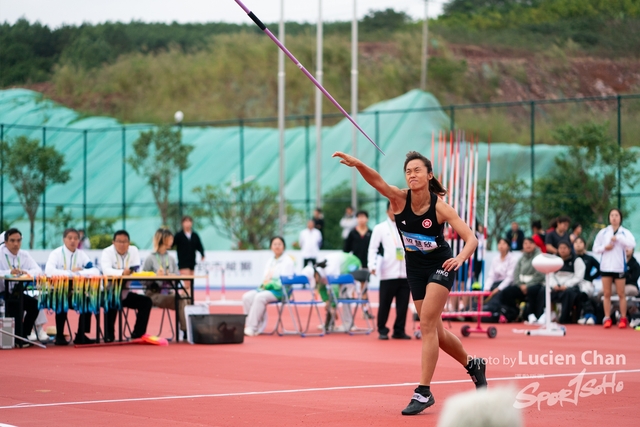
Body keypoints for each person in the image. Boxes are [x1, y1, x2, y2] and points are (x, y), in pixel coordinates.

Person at [333, 149, 485, 416]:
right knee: (436, 334)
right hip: (414, 268)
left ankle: (423, 391)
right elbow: (377, 181)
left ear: (429, 175)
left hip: (441, 265)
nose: (411, 175)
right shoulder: (398, 198)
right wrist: (358, 164)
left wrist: (461, 257)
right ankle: (473, 365)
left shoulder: (440, 207)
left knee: (426, 323)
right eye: (408, 171)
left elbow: (471, 238)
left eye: (417, 170)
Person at [45, 228, 101, 345]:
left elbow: (95, 271)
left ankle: (81, 335)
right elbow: (49, 271)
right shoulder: (56, 253)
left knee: (88, 301)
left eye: (76, 238)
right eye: (69, 238)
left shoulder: (81, 254)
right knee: (61, 300)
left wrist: (80, 273)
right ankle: (59, 336)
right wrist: (70, 272)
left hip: (75, 293)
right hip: (55, 293)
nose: (73, 241)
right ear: (64, 239)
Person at [368, 202, 411, 340]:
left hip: (405, 272)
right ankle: (382, 329)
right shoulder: (380, 228)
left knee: (403, 304)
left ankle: (399, 330)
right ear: (387, 211)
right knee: (385, 303)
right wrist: (372, 265)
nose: (395, 212)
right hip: (387, 272)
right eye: (392, 210)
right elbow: (373, 248)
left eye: (397, 209)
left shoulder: (407, 226)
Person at [101, 230, 152, 342]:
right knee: (113, 300)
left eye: (125, 242)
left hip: (124, 293)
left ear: (129, 243)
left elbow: (136, 267)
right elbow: (106, 270)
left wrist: (130, 272)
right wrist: (122, 272)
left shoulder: (133, 250)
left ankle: (137, 334)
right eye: (119, 241)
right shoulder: (107, 252)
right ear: (113, 242)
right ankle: (109, 335)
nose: (122, 244)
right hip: (107, 292)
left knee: (146, 302)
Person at [593, 209, 636, 329]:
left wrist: (618, 239)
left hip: (619, 267)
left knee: (621, 293)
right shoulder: (603, 232)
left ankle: (623, 318)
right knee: (606, 293)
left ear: (620, 218)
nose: (614, 218)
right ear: (609, 218)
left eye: (616, 215)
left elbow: (632, 244)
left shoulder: (624, 233)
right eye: (612, 215)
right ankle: (607, 318)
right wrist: (605, 247)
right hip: (606, 266)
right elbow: (595, 248)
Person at [242, 236, 294, 336]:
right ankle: (252, 325)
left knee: (259, 297)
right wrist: (264, 284)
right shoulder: (270, 261)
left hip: (280, 291)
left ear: (284, 246)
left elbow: (284, 281)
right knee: (246, 297)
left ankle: (253, 327)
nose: (277, 246)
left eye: (279, 244)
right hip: (266, 289)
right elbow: (265, 277)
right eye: (275, 244)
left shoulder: (288, 261)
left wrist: (269, 285)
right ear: (271, 247)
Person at [0, 228, 43, 347]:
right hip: (2, 292)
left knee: (34, 305)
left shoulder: (24, 255)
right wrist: (9, 272)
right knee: (14, 305)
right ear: (5, 241)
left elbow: (38, 270)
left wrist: (26, 272)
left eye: (18, 241)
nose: (16, 244)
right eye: (12, 240)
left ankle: (24, 335)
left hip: (17, 292)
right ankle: (17, 338)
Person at [142, 228, 188, 336]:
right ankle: (186, 330)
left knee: (188, 299)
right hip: (153, 293)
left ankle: (187, 329)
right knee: (181, 301)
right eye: (170, 239)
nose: (172, 241)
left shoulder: (170, 258)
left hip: (168, 292)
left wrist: (172, 276)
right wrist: (156, 277)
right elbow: (142, 280)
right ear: (163, 240)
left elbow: (177, 275)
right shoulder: (150, 258)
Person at [499, 238, 545, 324]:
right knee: (506, 292)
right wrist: (520, 285)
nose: (528, 245)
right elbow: (516, 273)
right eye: (525, 243)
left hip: (536, 284)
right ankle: (514, 313)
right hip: (521, 285)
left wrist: (527, 285)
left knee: (532, 290)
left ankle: (532, 314)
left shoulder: (540, 257)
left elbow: (540, 275)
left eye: (530, 243)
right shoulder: (521, 258)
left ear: (535, 245)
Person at [343, 210, 373, 319]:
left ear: (367, 219)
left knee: (364, 287)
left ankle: (364, 310)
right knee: (351, 287)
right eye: (359, 217)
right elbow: (346, 250)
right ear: (356, 219)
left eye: (363, 217)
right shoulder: (352, 233)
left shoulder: (371, 233)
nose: (361, 219)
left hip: (366, 264)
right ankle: (350, 311)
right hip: (354, 265)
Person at [550, 241, 586, 324]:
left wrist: (566, 285)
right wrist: (554, 285)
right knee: (544, 290)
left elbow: (578, 276)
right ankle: (549, 315)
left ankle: (564, 318)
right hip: (556, 286)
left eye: (564, 248)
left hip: (570, 287)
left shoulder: (577, 260)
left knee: (568, 293)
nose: (562, 250)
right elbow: (550, 275)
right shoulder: (554, 260)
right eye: (560, 248)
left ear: (570, 249)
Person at [173, 215, 205, 282]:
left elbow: (199, 246)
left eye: (189, 221)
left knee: (190, 283)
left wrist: (202, 254)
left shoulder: (195, 235)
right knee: (187, 283)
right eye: (186, 221)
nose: (188, 223)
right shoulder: (179, 235)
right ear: (182, 223)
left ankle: (184, 292)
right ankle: (184, 292)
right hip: (183, 262)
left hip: (192, 262)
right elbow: (171, 244)